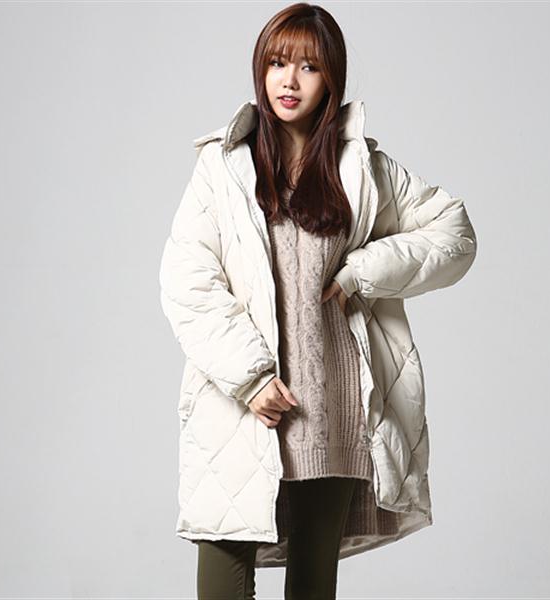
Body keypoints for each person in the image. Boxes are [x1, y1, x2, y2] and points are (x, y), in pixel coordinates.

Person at [158, 3, 477, 599]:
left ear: (332, 78)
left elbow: (454, 234)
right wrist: (250, 378)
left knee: (312, 587)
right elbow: (188, 281)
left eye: (308, 66)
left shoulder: (362, 169)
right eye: (278, 63)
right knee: (221, 585)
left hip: (331, 407)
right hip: (242, 408)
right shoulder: (223, 168)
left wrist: (362, 270)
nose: (289, 80)